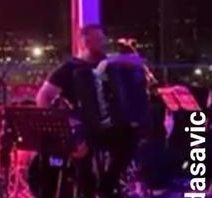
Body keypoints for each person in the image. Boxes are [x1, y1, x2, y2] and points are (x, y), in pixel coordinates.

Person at [35, 24, 144, 198]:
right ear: (84, 42)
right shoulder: (69, 68)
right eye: (97, 40)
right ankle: (88, 191)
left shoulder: (110, 64)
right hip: (82, 129)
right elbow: (43, 97)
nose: (102, 44)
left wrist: (112, 61)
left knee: (132, 137)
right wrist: (63, 130)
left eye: (102, 39)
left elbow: (137, 61)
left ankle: (107, 185)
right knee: (82, 158)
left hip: (110, 127)